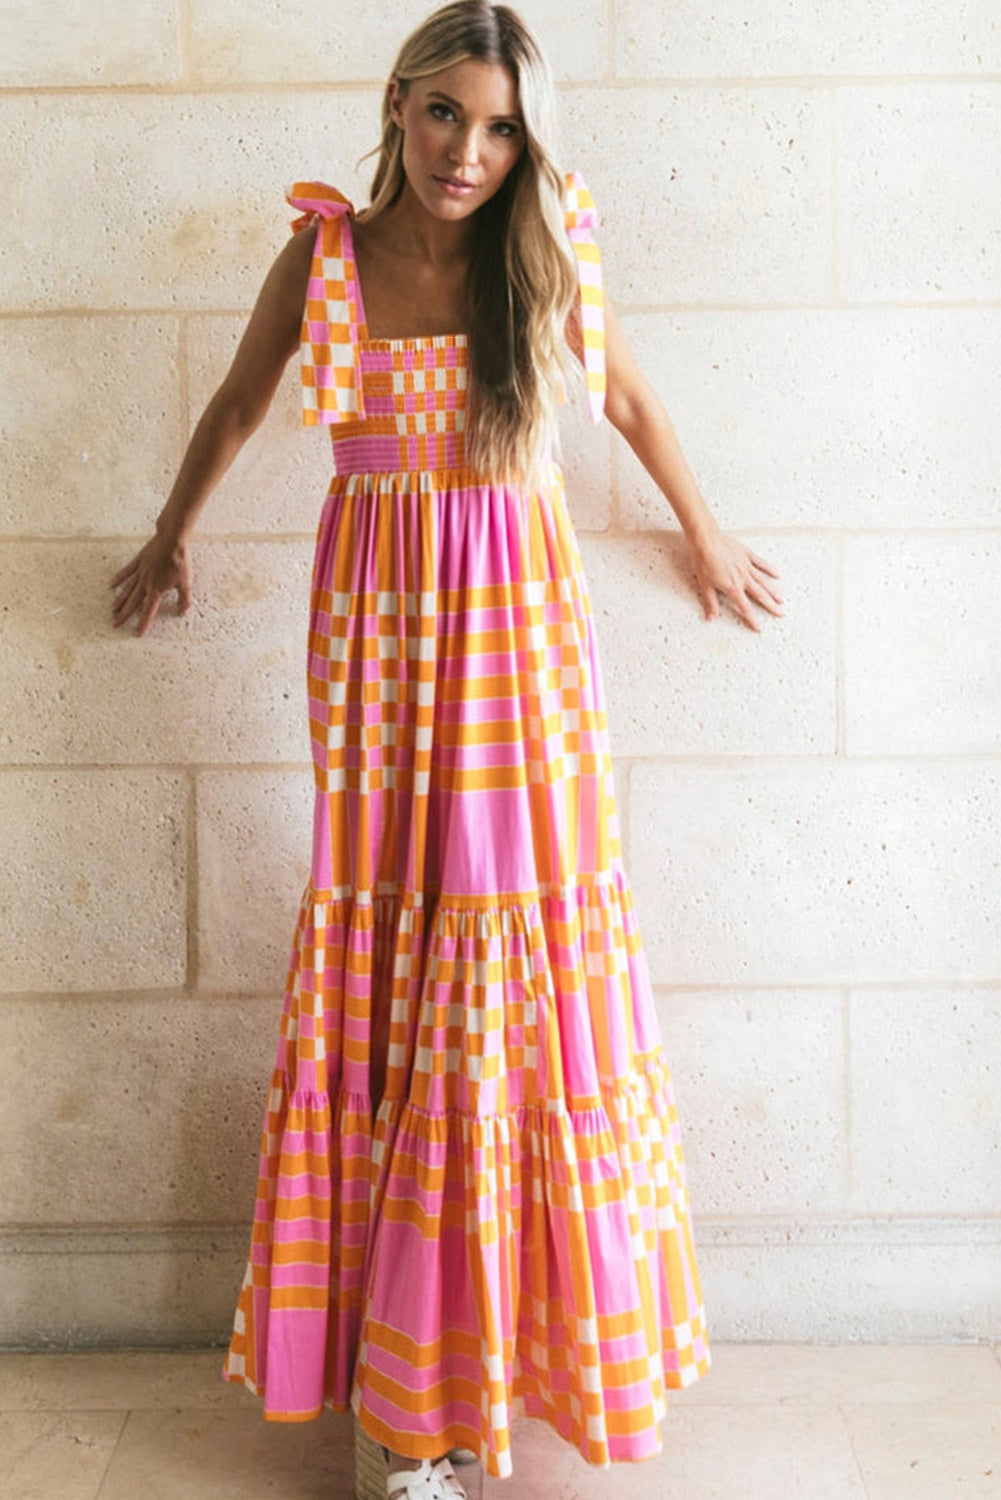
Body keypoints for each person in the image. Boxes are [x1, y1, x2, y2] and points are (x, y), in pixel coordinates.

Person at [110, 3, 782, 1496]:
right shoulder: (326, 253)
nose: (468, 153)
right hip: (375, 632)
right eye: (443, 116)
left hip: (521, 632)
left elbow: (620, 395)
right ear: (397, 103)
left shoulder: (543, 246)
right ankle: (408, 1398)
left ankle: (496, 1376)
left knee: (508, 941)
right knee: (388, 933)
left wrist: (705, 532)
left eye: (498, 128)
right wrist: (170, 536)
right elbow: (235, 399)